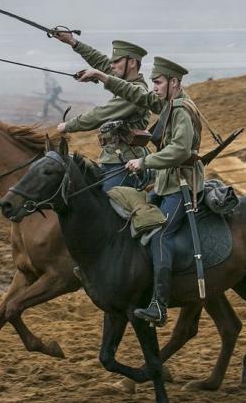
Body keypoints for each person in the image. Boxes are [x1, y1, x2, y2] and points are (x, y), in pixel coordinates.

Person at [76, 57, 203, 326]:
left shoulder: (181, 110)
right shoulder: (168, 103)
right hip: (165, 181)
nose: (153, 87)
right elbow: (135, 93)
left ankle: (159, 304)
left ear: (174, 83)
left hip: (182, 185)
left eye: (158, 82)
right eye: (154, 82)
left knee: (160, 235)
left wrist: (144, 161)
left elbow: (179, 150)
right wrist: (102, 76)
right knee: (136, 218)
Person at [52, 34, 152, 192]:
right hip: (112, 158)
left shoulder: (136, 92)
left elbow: (101, 114)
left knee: (108, 203)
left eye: (117, 61)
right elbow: (101, 62)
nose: (112, 65)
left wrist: (68, 126)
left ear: (132, 63)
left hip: (124, 161)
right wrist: (73, 42)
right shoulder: (125, 84)